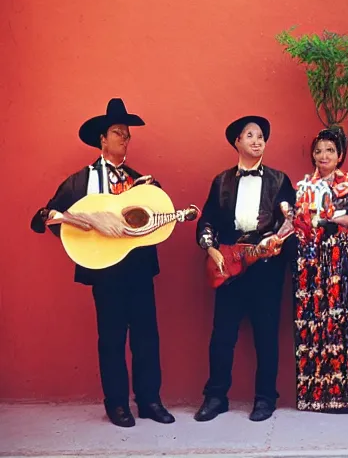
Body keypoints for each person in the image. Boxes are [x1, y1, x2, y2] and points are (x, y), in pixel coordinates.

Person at [31, 98, 174, 427]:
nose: (124, 138)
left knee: (146, 337)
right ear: (102, 139)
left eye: (127, 134)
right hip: (105, 271)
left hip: (138, 269)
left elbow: (159, 218)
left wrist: (154, 195)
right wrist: (89, 218)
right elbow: (44, 218)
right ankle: (117, 404)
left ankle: (150, 400)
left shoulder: (140, 181)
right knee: (111, 338)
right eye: (117, 132)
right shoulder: (82, 181)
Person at [194, 115, 295, 422]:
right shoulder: (221, 181)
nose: (256, 140)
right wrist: (210, 246)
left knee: (266, 335)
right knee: (222, 335)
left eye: (261, 136)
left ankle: (265, 399)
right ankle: (215, 397)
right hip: (229, 266)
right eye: (249, 135)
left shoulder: (280, 180)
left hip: (265, 266)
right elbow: (207, 219)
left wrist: (276, 242)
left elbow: (289, 222)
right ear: (237, 142)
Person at [293, 127, 348, 412]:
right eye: (318, 150)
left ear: (340, 155)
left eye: (330, 150)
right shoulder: (306, 186)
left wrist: (326, 217)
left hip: (339, 258)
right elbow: (296, 221)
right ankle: (318, 396)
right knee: (316, 320)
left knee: (344, 319)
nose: (323, 156)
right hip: (311, 258)